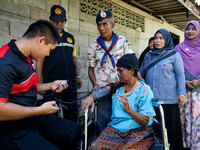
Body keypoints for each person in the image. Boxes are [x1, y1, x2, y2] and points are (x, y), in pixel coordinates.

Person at [0, 20, 81, 150]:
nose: (48, 54)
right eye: (49, 50)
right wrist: (39, 110)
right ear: (41, 41)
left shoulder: (25, 56)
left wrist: (51, 85)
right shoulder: (5, 62)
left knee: (73, 131)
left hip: (30, 117)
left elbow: (24, 87)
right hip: (10, 128)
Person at [82, 54, 156, 149]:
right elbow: (100, 92)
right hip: (116, 129)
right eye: (117, 70)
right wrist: (91, 97)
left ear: (132, 71)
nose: (118, 73)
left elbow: (145, 121)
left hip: (139, 130)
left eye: (120, 70)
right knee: (94, 148)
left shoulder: (144, 90)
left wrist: (129, 110)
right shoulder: (116, 87)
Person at [140, 29, 186, 150]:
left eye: (161, 38)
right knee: (153, 132)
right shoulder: (148, 55)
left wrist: (181, 94)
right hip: (151, 101)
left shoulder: (174, 55)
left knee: (171, 131)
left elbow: (180, 75)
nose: (158, 40)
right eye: (156, 38)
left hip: (169, 101)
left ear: (167, 40)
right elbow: (141, 74)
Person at [36, 5, 82, 122]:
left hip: (70, 81)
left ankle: (71, 135)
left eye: (61, 21)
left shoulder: (70, 38)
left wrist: (77, 76)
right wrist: (39, 82)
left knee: (71, 111)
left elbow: (73, 58)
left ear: (65, 21)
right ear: (50, 20)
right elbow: (39, 60)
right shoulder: (44, 38)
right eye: (55, 21)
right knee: (50, 112)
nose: (58, 24)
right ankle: (51, 137)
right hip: (51, 82)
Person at [88, 10, 134, 91]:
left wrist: (138, 81)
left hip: (120, 85)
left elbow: (132, 62)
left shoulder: (122, 41)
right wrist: (95, 84)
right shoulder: (94, 45)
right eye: (99, 25)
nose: (101, 28)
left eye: (105, 24)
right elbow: (91, 69)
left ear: (112, 25)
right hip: (102, 87)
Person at [174, 20, 200, 149]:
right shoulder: (178, 48)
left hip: (198, 91)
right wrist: (183, 82)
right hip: (182, 91)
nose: (190, 31)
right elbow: (172, 68)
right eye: (188, 29)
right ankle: (184, 145)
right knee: (183, 119)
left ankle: (196, 145)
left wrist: (199, 80)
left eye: (193, 29)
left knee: (197, 120)